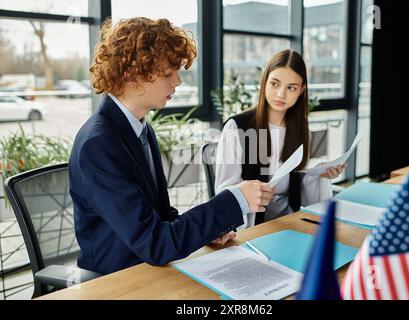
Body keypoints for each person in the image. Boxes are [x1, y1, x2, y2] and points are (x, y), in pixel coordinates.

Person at [69, 17, 273, 275]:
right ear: (133, 75)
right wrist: (236, 199)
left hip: (150, 270)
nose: (177, 81)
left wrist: (206, 232)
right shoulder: (98, 145)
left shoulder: (140, 127)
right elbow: (156, 243)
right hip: (117, 281)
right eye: (168, 73)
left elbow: (162, 216)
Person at [215, 49, 346, 229]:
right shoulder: (236, 127)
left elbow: (296, 182)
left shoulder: (300, 128)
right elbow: (226, 190)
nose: (281, 94)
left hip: (288, 222)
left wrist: (318, 174)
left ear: (301, 90)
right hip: (250, 226)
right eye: (275, 84)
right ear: (264, 82)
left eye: (291, 87)